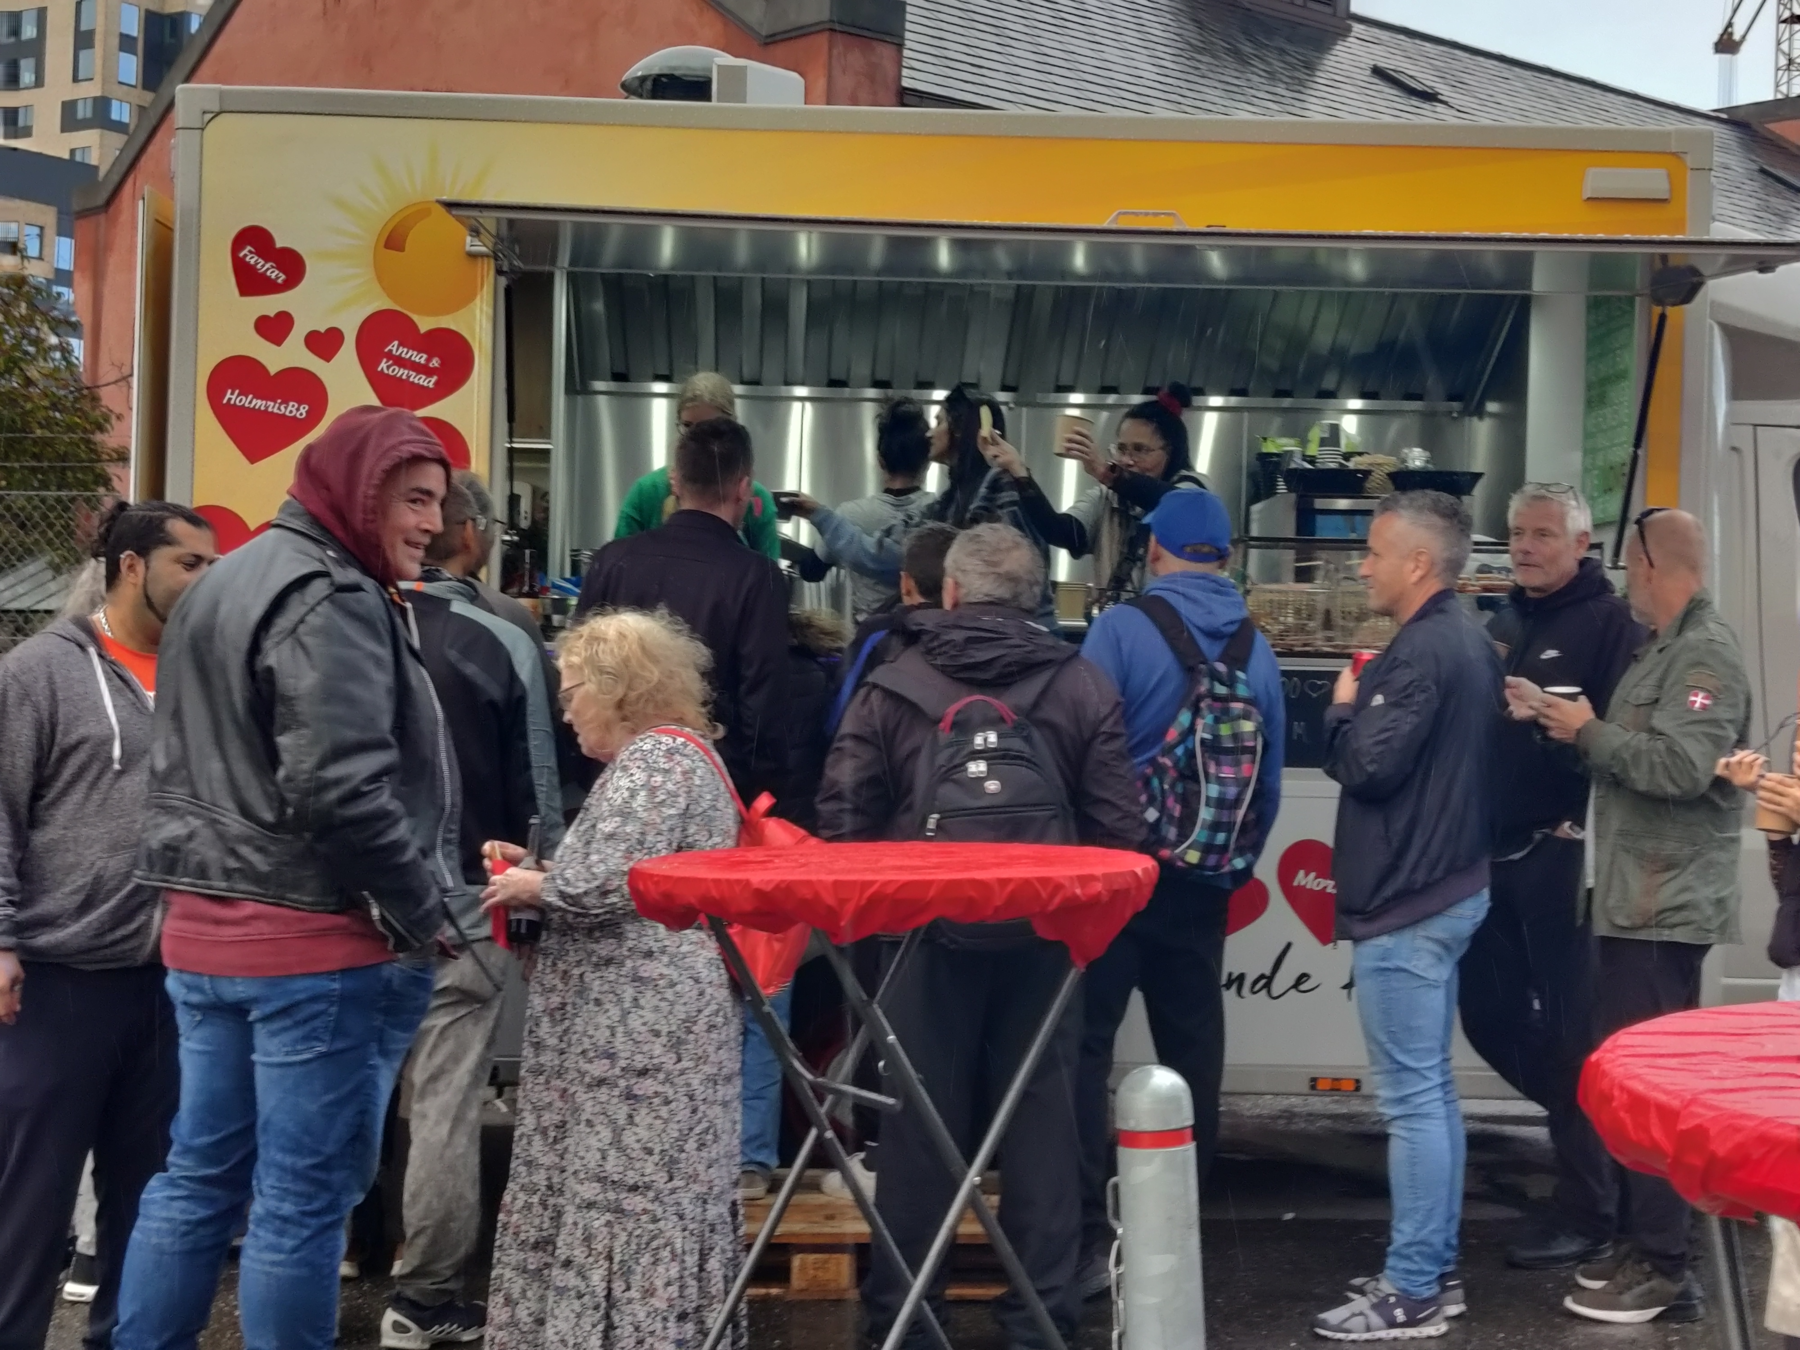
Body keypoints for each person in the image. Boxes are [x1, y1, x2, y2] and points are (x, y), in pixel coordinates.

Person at [116, 407, 458, 1350]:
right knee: (302, 1202)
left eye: (437, 501)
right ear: (359, 490)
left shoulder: (226, 581)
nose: (433, 522)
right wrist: (422, 910)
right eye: (413, 498)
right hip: (312, 943)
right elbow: (340, 787)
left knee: (197, 1178)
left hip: (205, 934)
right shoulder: (331, 593)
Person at [817, 523, 1142, 1349]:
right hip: (1045, 944)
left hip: (920, 944)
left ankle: (908, 1320)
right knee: (1043, 1131)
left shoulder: (891, 684)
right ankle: (1039, 1319)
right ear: (1036, 598)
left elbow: (843, 824)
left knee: (918, 1131)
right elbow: (1120, 832)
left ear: (951, 592)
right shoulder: (1082, 684)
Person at [481, 609, 743, 1350]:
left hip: (636, 1036)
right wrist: (544, 872)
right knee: (652, 1196)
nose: (565, 712)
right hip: (653, 1023)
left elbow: (603, 888)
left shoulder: (652, 762)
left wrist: (534, 884)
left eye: (570, 693)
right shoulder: (679, 756)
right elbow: (634, 877)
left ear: (614, 686)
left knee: (626, 1195)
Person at [0, 501, 217, 1350]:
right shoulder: (37, 673)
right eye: (189, 564)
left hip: (173, 982)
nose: (206, 580)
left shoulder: (206, 676)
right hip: (58, 983)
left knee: (149, 1203)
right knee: (28, 1204)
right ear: (132, 567)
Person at [1524, 507, 1750, 1325]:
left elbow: (1684, 767)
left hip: (1662, 907)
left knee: (1654, 1092)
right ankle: (1646, 1246)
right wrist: (1569, 728)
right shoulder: (1664, 648)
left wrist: (1589, 731)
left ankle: (1665, 1268)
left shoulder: (1704, 653)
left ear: (1653, 565)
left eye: (1629, 568)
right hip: (1636, 898)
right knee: (1636, 1085)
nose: (1625, 586)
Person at [1073, 487, 1285, 1298]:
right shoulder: (1256, 648)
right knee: (1193, 1049)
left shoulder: (1120, 629)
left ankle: (1086, 1232)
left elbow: (1083, 747)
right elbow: (1266, 783)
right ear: (1226, 557)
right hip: (1203, 878)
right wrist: (1232, 866)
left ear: (1156, 548)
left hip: (1116, 879)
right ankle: (1177, 1227)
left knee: (1086, 1048)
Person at [382, 482, 569, 1350]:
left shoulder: (345, 621)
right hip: (466, 901)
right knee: (446, 1103)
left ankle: (335, 1253)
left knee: (344, 1093)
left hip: (349, 906)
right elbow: (538, 787)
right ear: (467, 533)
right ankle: (422, 1296)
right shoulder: (504, 634)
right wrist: (538, 901)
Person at [1312, 491, 1501, 1342]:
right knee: (1432, 1096)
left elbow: (1368, 767)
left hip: (1408, 900)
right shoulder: (1468, 638)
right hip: (1445, 886)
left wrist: (1343, 707)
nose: (1363, 566)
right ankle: (1433, 1271)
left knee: (1414, 1102)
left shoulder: (1421, 650)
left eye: (1374, 552)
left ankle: (1414, 1288)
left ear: (1419, 563)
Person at [1459, 482, 1646, 1275]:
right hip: (1493, 856)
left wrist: (1568, 770)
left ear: (1580, 545)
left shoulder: (1611, 626)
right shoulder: (1503, 618)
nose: (1526, 547)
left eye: (1542, 534)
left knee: (1576, 1037)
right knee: (1487, 1016)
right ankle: (1599, 1138)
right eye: (1517, 534)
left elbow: (1623, 743)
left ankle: (1590, 1211)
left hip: (1564, 859)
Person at [577, 416, 790, 804]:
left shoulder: (611, 560)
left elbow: (579, 680)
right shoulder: (758, 578)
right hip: (709, 789)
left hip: (613, 782)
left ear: (675, 481)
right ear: (743, 488)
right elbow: (762, 709)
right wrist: (755, 794)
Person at [736, 607, 846, 1202]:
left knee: (722, 1010)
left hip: (733, 852)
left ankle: (717, 1152)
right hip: (798, 853)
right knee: (769, 1008)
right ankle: (752, 1159)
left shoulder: (731, 677)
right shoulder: (826, 675)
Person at [984, 384, 1207, 610]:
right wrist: (1020, 472)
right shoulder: (1108, 496)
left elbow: (1178, 506)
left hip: (1176, 622)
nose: (1127, 460)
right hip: (1120, 620)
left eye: (1140, 450)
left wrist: (1105, 472)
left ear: (1171, 452)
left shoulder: (1194, 489)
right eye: (1122, 449)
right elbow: (1062, 532)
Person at [788, 398, 936, 620]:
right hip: (925, 632)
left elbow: (812, 571)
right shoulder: (941, 513)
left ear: (880, 461)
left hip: (867, 634)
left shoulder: (849, 515)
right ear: (927, 461)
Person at [612, 371, 782, 561]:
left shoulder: (755, 501)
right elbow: (617, 565)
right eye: (688, 426)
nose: (698, 439)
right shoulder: (646, 493)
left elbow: (767, 573)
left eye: (710, 427)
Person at [826, 522, 959, 740]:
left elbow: (841, 710)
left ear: (905, 583)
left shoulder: (878, 634)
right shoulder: (977, 634)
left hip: (886, 754)